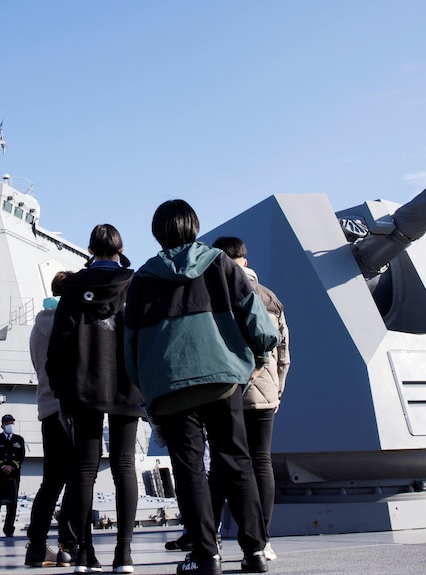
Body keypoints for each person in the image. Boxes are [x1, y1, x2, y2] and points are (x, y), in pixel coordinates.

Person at [124, 200, 279, 575]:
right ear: (194, 226)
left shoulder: (143, 278)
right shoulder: (220, 263)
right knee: (237, 462)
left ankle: (206, 556)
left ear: (157, 232)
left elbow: (130, 343)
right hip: (223, 380)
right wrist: (257, 356)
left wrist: (145, 386)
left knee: (190, 469)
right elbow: (260, 323)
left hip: (171, 384)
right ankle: (255, 552)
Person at [47, 224, 143, 574]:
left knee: (84, 469)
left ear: (90, 248)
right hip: (127, 385)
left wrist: (59, 389)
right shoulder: (135, 283)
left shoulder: (73, 288)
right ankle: (125, 554)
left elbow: (59, 341)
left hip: (83, 387)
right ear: (120, 248)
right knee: (124, 465)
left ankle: (83, 553)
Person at [209, 237, 290, 562]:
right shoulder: (271, 298)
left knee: (218, 465)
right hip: (265, 394)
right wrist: (278, 391)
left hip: (224, 392)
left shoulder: (215, 295)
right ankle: (262, 540)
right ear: (245, 259)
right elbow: (283, 354)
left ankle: (210, 540)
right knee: (261, 461)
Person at [24, 271, 77, 568]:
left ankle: (37, 546)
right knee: (79, 478)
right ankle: (68, 545)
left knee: (51, 481)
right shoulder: (69, 322)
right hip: (73, 408)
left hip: (47, 409)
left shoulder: (36, 329)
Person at [0, 414, 26, 538]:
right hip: (0, 474)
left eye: (12, 423)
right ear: (2, 425)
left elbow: (21, 455)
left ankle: (9, 530)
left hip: (14, 475)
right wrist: (2, 466)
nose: (10, 425)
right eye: (8, 423)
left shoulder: (19, 439)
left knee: (12, 503)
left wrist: (12, 466)